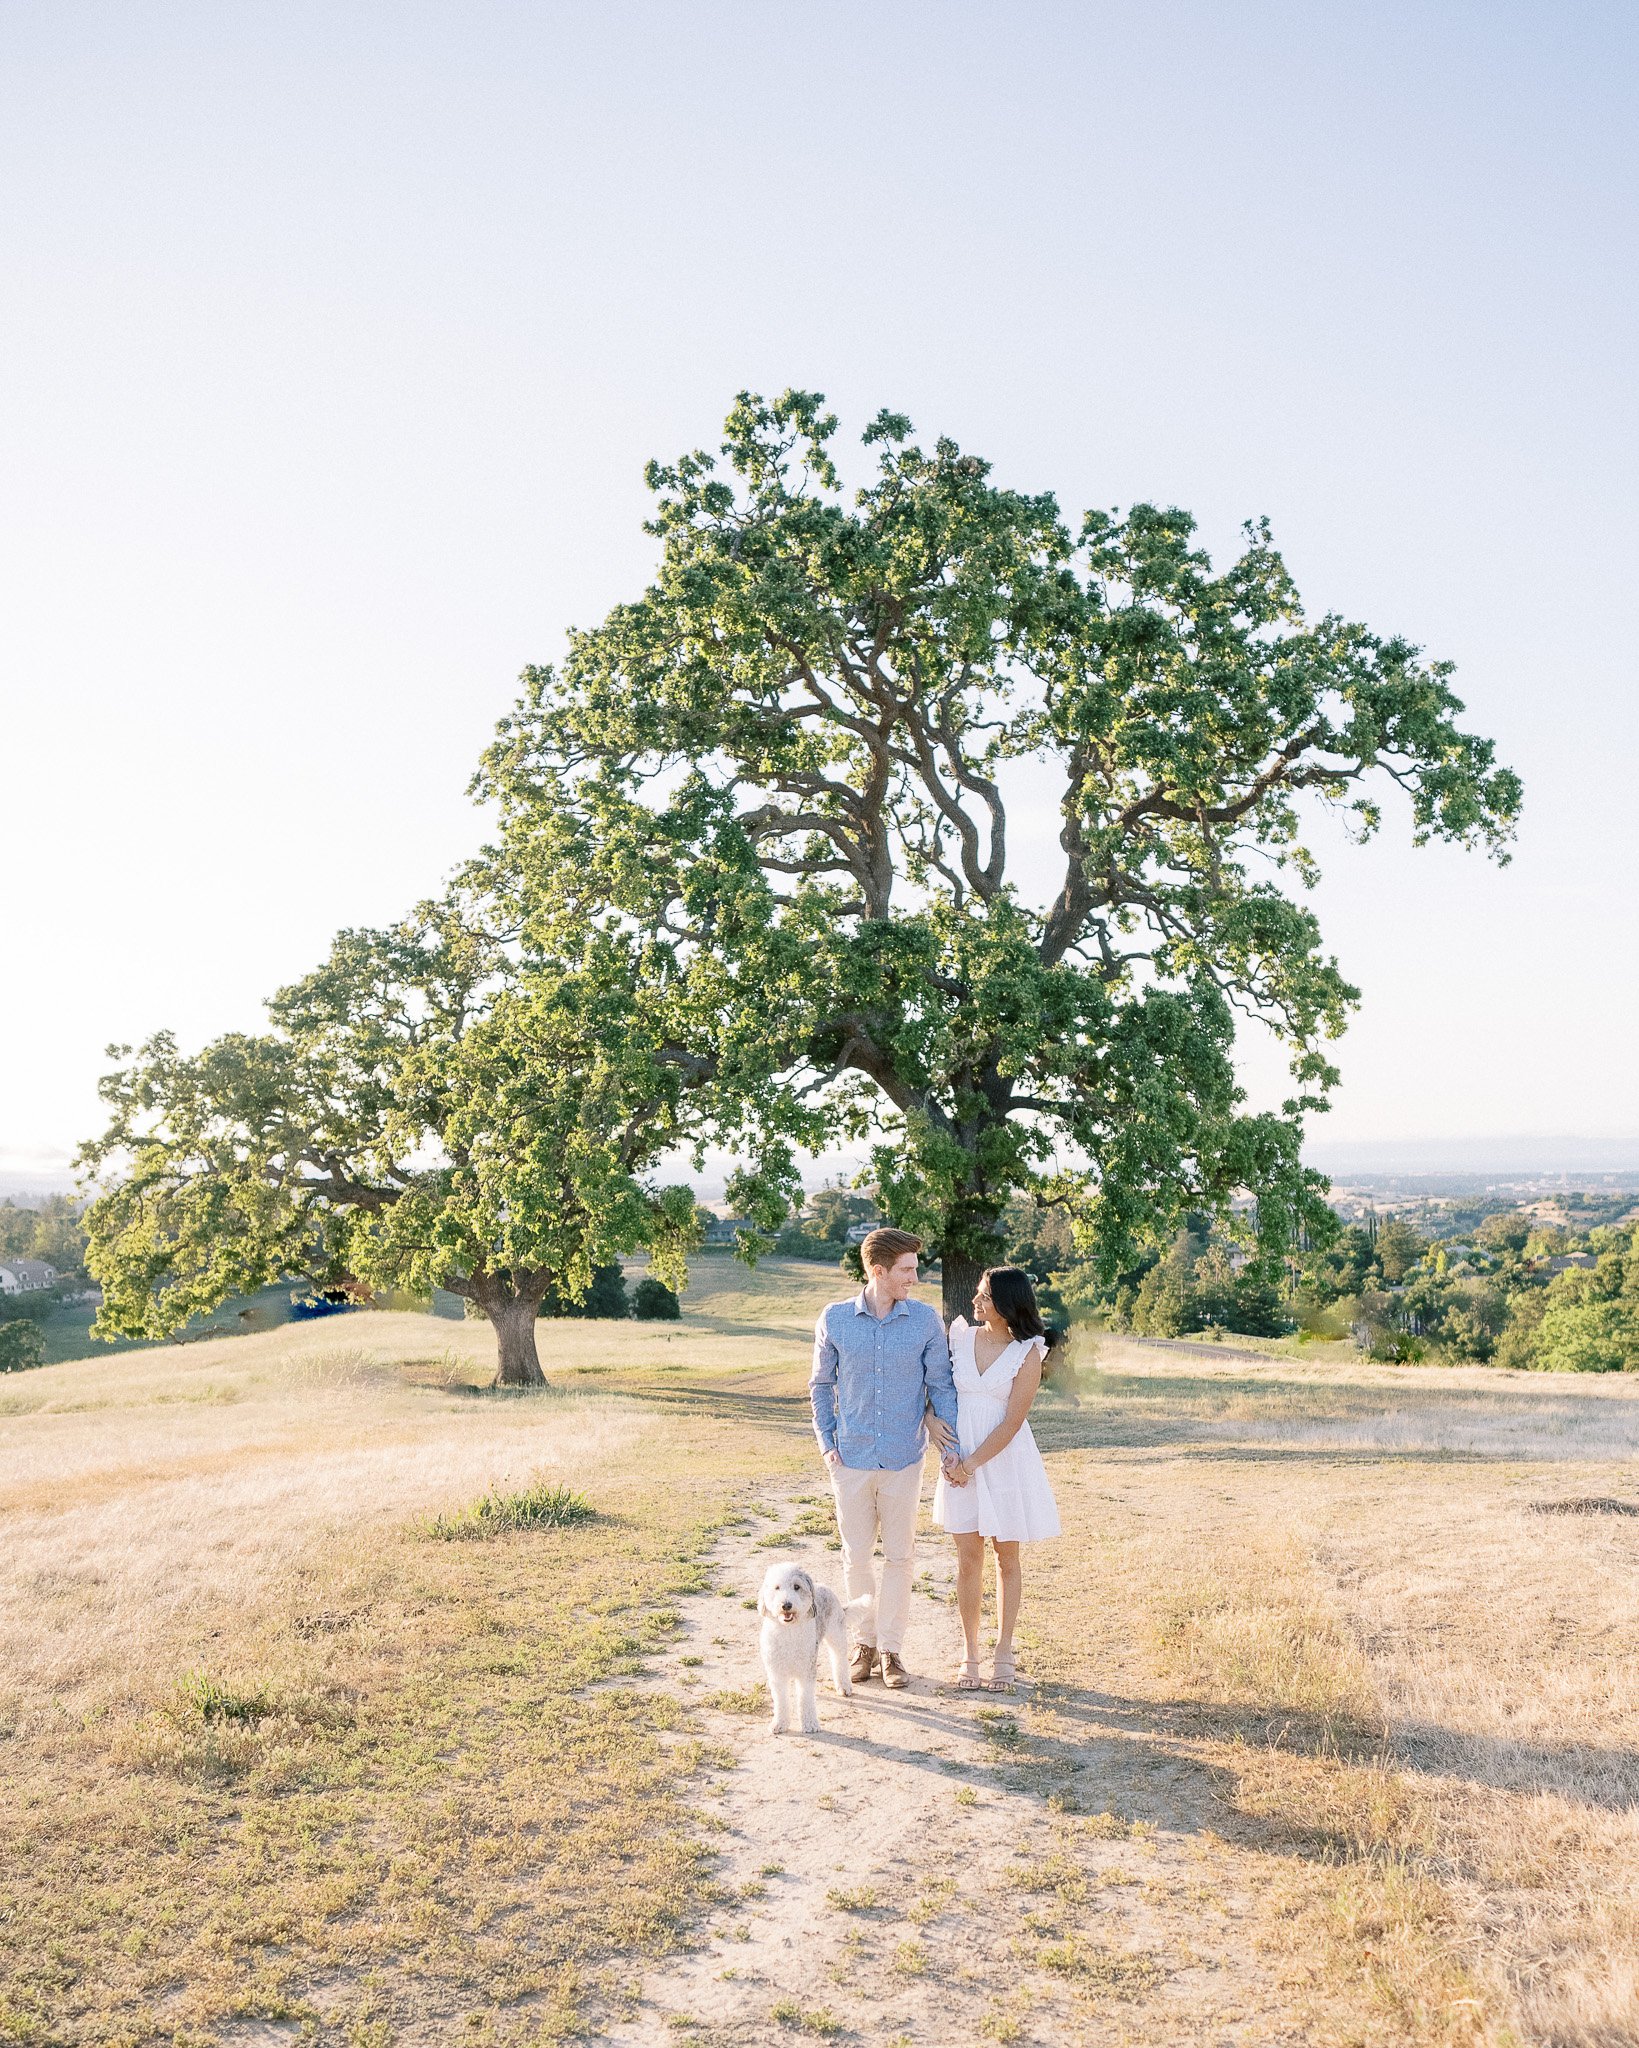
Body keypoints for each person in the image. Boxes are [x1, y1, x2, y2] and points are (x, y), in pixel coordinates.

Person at [809, 1227, 959, 1689]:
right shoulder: (834, 1319)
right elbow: (820, 1386)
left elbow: (941, 1387)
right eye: (907, 1269)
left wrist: (951, 1451)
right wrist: (827, 1442)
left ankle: (892, 1650)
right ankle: (863, 1644)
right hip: (850, 1459)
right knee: (856, 1557)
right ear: (878, 1270)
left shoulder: (925, 1321)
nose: (915, 1277)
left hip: (902, 1459)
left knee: (900, 1557)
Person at [933, 1265, 1061, 1691]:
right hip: (956, 1459)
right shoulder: (959, 1337)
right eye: (977, 1294)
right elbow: (937, 1393)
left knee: (1008, 1560)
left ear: (1007, 1304)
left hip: (1004, 1460)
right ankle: (970, 1652)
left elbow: (1011, 1422)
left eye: (984, 1297)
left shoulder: (1028, 1352)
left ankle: (1003, 1650)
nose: (975, 1301)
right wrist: (945, 1446)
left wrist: (972, 1464)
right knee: (968, 1559)